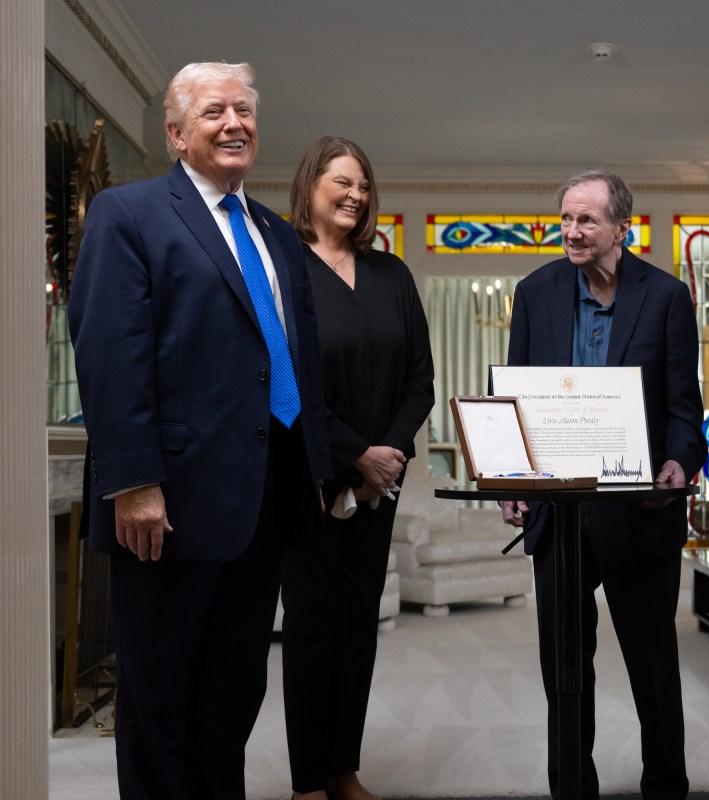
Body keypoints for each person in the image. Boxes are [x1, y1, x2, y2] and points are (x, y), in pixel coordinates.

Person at [68, 62, 331, 799]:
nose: (235, 123)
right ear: (178, 134)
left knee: (232, 698)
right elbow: (110, 355)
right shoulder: (130, 213)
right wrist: (133, 480)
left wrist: (312, 474)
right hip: (168, 504)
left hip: (264, 501)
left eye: (244, 110)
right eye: (215, 111)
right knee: (159, 701)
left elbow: (295, 360)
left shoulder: (276, 234)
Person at [499, 169, 706, 800]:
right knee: (563, 669)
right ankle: (570, 788)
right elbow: (518, 398)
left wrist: (680, 463)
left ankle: (666, 785)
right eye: (566, 218)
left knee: (652, 662)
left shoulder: (666, 296)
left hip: (641, 509)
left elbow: (683, 408)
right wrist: (512, 475)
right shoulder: (534, 292)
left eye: (587, 219)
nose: (573, 231)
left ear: (622, 226)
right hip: (557, 513)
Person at [282, 136, 435, 800]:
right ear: (310, 186)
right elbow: (282, 382)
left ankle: (344, 768)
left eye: (364, 185)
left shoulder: (391, 274)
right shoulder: (284, 269)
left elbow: (420, 379)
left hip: (378, 488)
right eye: (342, 181)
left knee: (357, 631)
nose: (355, 195)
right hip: (310, 480)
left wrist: (388, 455)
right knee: (312, 631)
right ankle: (307, 781)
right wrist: (354, 454)